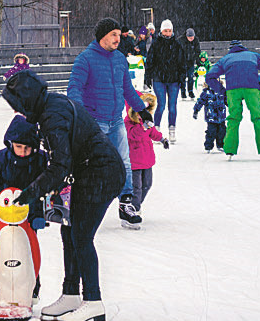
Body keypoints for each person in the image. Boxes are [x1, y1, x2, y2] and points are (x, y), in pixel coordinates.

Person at [3, 69, 125, 321]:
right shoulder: (49, 106)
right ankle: (71, 294)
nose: (18, 111)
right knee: (68, 231)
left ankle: (93, 300)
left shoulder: (52, 116)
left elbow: (60, 164)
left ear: (27, 99)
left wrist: (31, 193)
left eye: (17, 105)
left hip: (101, 173)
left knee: (81, 236)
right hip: (89, 172)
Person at [66, 17, 152, 228]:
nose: (117, 38)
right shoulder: (85, 59)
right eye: (113, 34)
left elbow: (127, 89)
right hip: (93, 122)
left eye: (118, 34)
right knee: (92, 166)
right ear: (102, 36)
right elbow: (74, 89)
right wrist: (80, 116)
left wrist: (142, 110)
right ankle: (83, 206)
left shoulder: (120, 59)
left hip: (115, 121)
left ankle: (126, 204)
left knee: (125, 163)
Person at [0, 114, 47, 300]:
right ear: (10, 144)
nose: (23, 152)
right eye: (19, 147)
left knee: (27, 252)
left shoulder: (40, 160)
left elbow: (41, 190)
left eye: (27, 148)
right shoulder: (2, 159)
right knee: (0, 250)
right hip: (2, 215)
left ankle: (32, 289)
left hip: (27, 217)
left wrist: (38, 215)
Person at [206, 39, 260, 159]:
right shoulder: (253, 55)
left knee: (233, 119)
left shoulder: (225, 59)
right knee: (259, 118)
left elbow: (210, 76)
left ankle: (230, 149)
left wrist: (223, 91)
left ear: (230, 49)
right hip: (252, 88)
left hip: (233, 90)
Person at [125, 92, 169, 225]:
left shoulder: (147, 121)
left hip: (147, 159)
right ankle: (134, 208)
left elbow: (153, 132)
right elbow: (133, 135)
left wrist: (162, 139)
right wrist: (143, 127)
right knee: (136, 187)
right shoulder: (127, 123)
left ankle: (135, 205)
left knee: (147, 185)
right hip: (134, 162)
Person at [145, 19, 185, 143]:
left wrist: (182, 79)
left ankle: (172, 129)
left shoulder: (177, 45)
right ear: (161, 31)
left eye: (169, 31)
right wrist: (147, 78)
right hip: (159, 79)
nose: (167, 33)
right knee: (161, 105)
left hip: (173, 80)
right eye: (165, 31)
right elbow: (150, 62)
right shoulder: (156, 44)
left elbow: (182, 63)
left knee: (172, 106)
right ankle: (156, 130)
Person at [193, 80, 227, 152]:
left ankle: (221, 145)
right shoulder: (206, 93)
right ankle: (208, 146)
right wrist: (196, 110)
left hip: (221, 116)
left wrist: (233, 107)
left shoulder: (222, 91)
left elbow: (227, 100)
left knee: (222, 131)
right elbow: (200, 101)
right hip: (211, 116)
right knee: (211, 132)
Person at [177, 28, 201, 99]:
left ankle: (190, 91)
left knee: (191, 77)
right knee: (182, 77)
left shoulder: (196, 40)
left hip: (191, 61)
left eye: (192, 37)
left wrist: (198, 62)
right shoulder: (180, 40)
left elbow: (197, 51)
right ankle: (183, 92)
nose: (191, 39)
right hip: (182, 62)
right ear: (186, 36)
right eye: (190, 38)